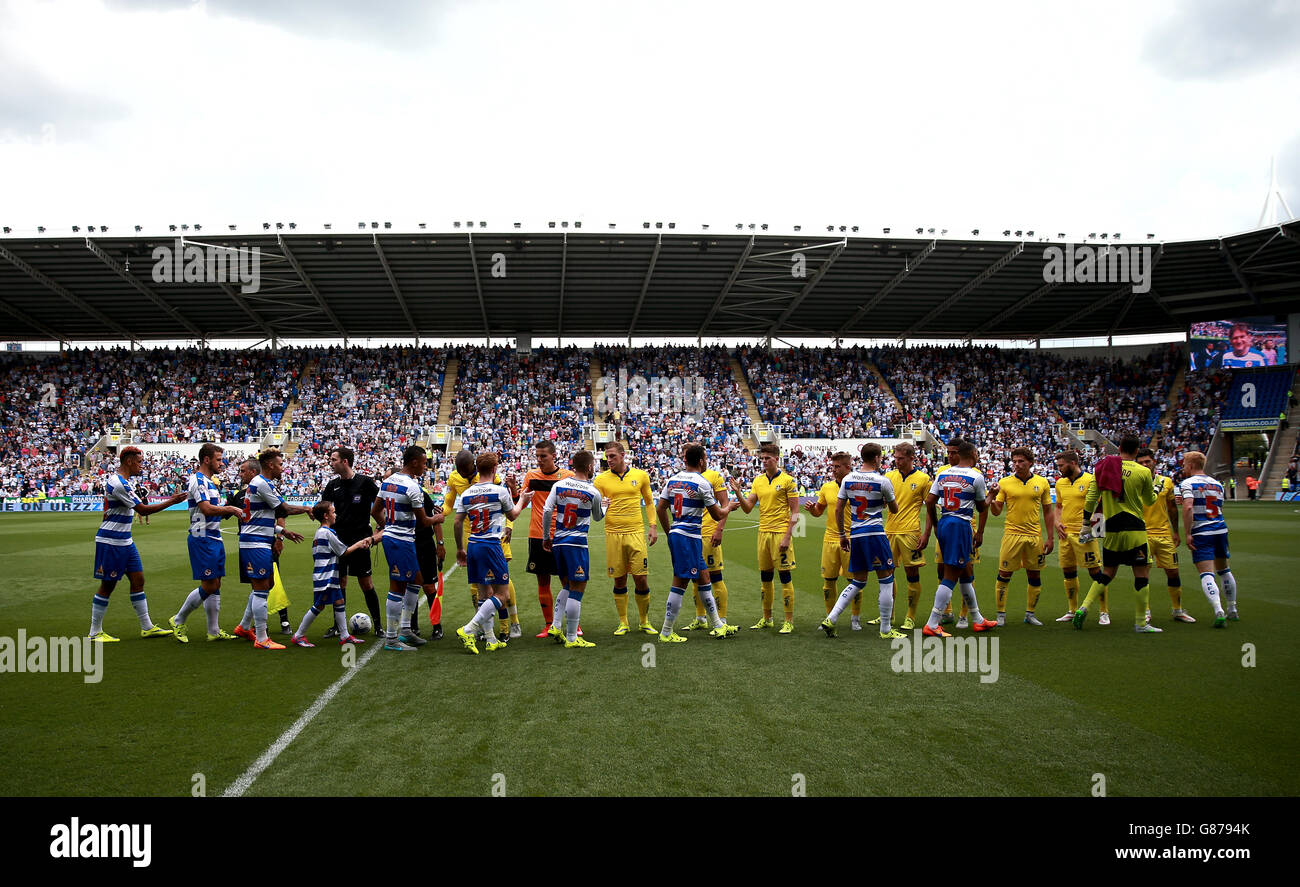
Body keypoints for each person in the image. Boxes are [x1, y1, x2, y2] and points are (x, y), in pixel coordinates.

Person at [87, 446, 187, 642]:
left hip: (125, 540)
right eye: (140, 462)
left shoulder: (123, 482)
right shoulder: (119, 484)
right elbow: (143, 510)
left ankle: (147, 626)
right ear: (130, 461)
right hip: (112, 540)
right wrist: (171, 501)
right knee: (108, 585)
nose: (142, 466)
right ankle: (94, 631)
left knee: (138, 579)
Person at [1071, 434, 1161, 633]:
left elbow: (1091, 498)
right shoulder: (1143, 471)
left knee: (1108, 572)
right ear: (1137, 451)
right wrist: (1157, 488)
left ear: (1119, 448)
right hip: (1134, 527)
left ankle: (1083, 607)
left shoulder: (1102, 467)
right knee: (1141, 572)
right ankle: (1140, 623)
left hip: (1110, 526)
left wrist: (1087, 523)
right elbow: (1150, 500)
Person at [654, 443, 739, 642]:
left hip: (680, 533)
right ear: (701, 461)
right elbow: (717, 514)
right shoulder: (702, 483)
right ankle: (666, 632)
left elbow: (660, 509)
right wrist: (730, 508)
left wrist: (669, 532)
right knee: (680, 582)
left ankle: (718, 625)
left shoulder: (672, 480)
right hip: (689, 536)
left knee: (704, 578)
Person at [233, 450, 313, 650]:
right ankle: (261, 638)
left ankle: (244, 627)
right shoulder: (262, 483)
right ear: (269, 465)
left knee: (266, 584)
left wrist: (282, 531)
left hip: (259, 538)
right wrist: (307, 508)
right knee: (261, 588)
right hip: (255, 542)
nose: (282, 468)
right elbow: (283, 509)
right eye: (279, 464)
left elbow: (259, 516)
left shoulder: (264, 484)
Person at [822, 443, 903, 639]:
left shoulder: (848, 479)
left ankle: (831, 618)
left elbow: (839, 509)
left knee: (858, 581)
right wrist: (884, 502)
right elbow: (894, 510)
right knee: (886, 580)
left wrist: (842, 535)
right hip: (875, 533)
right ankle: (885, 629)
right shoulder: (882, 481)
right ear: (876, 458)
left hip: (855, 534)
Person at [453, 452, 529, 654]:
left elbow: (457, 521)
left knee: (483, 592)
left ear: (477, 468)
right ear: (495, 469)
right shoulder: (499, 491)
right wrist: (522, 499)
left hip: (473, 545)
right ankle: (469, 629)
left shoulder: (467, 494)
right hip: (492, 546)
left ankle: (490, 638)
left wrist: (460, 548)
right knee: (501, 595)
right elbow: (513, 514)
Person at [371, 445, 445, 652]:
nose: (425, 467)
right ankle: (392, 638)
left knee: (417, 580)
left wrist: (388, 525)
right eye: (423, 463)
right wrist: (437, 518)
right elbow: (423, 522)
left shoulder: (388, 482)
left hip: (399, 539)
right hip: (401, 541)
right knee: (397, 587)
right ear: (413, 462)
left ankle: (405, 630)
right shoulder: (412, 487)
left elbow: (375, 510)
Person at [169, 443, 244, 642]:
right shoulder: (198, 480)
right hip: (201, 537)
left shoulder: (210, 482)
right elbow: (206, 509)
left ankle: (213, 631)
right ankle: (178, 619)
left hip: (213, 536)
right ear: (206, 460)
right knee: (209, 584)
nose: (222, 463)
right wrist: (230, 509)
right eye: (218, 459)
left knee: (216, 583)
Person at [921, 439, 997, 637]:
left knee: (965, 574)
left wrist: (936, 524)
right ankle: (932, 622)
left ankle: (978, 619)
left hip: (945, 522)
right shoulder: (975, 476)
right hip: (960, 524)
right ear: (972, 455)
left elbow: (929, 501)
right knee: (951, 575)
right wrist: (992, 496)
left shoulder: (943, 473)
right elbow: (982, 508)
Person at [729, 442, 800, 633]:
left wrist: (787, 537)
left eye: (768, 458)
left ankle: (788, 621)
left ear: (777, 459)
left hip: (780, 533)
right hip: (763, 533)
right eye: (762, 458)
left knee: (785, 577)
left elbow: (795, 511)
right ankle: (767, 618)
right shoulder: (758, 481)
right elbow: (748, 508)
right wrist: (737, 492)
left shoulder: (788, 481)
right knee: (765, 578)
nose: (764, 461)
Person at [592, 440, 658, 635]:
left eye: (612, 456)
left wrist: (653, 526)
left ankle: (644, 621)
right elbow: (596, 512)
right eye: (607, 456)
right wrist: (602, 505)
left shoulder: (640, 475)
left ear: (623, 455)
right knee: (619, 580)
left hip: (636, 532)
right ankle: (623, 622)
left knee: (641, 579)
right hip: (613, 534)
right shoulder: (600, 480)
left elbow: (649, 502)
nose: (609, 460)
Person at [290, 502, 377, 647]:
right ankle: (298, 635)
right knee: (319, 605)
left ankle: (344, 636)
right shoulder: (326, 533)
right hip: (326, 576)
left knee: (339, 602)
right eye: (333, 512)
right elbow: (344, 552)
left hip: (326, 575)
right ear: (326, 516)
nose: (335, 515)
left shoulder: (321, 532)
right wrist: (361, 543)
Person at [541, 450, 605, 648]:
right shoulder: (593, 491)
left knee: (568, 585)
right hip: (577, 543)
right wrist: (606, 507)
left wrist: (546, 537)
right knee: (578, 586)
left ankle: (556, 624)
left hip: (559, 541)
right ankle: (571, 637)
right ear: (588, 467)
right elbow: (597, 517)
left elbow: (547, 510)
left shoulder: (559, 485)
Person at [319, 445, 381, 638]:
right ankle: (339, 626)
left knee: (366, 583)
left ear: (344, 461)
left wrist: (380, 528)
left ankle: (379, 626)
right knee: (339, 583)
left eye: (333, 460)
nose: (331, 463)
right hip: (337, 542)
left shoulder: (365, 483)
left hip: (361, 540)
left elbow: (380, 506)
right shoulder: (332, 486)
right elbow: (322, 511)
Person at [989, 446, 1055, 626]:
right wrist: (992, 499)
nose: (1017, 465)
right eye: (1015, 461)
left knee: (1034, 576)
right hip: (1012, 535)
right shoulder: (1005, 483)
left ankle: (1030, 614)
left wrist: (1050, 537)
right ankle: (1000, 614)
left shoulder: (1042, 482)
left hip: (1034, 536)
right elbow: (996, 511)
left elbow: (1049, 511)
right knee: (1004, 574)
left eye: (1021, 461)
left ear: (1030, 463)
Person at [1134, 447, 1194, 624]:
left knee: (1173, 572)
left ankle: (1177, 610)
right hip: (1142, 535)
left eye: (1147, 461)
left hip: (1164, 534)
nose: (1145, 465)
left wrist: (1176, 531)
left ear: (1154, 462)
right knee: (1142, 575)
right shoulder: (1134, 482)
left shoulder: (1166, 482)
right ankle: (1145, 611)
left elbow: (1172, 508)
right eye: (1141, 462)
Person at [1176, 451, 1235, 627]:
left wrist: (1187, 533)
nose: (1183, 467)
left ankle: (1219, 610)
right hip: (1220, 529)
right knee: (1224, 570)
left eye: (1185, 464)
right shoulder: (1218, 484)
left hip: (1202, 531)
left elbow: (1188, 507)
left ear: (1191, 465)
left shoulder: (1187, 483)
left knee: (1206, 573)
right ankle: (1232, 609)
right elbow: (1216, 506)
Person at [523, 440, 574, 637]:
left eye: (543, 456)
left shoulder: (567, 477)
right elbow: (521, 499)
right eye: (537, 456)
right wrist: (512, 488)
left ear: (554, 456)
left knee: (567, 582)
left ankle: (572, 623)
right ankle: (549, 624)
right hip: (537, 535)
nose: (539, 460)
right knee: (542, 581)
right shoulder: (530, 476)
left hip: (561, 535)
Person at [1053, 450, 1110, 623]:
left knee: (1095, 571)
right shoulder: (1060, 483)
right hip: (1066, 535)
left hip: (1085, 534)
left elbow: (1102, 506)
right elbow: (1059, 506)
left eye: (1062, 465)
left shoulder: (1091, 480)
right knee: (1068, 571)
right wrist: (1057, 522)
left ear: (1073, 463)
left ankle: (1103, 611)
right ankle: (1072, 609)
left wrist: (1098, 530)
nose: (1059, 469)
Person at [682, 451, 736, 630]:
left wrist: (719, 529)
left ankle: (723, 620)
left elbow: (724, 503)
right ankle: (701, 618)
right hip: (691, 535)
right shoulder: (684, 478)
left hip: (709, 535)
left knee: (715, 578)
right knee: (695, 578)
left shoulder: (714, 476)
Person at [803, 452, 857, 628]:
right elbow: (819, 511)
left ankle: (855, 619)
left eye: (837, 466)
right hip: (830, 539)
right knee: (828, 581)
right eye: (832, 466)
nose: (834, 470)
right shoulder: (827, 487)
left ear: (848, 467)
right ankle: (829, 617)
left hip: (851, 539)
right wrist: (812, 510)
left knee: (854, 581)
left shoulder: (857, 486)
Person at [883, 441, 931, 631]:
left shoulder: (923, 479)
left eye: (901, 458)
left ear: (912, 458)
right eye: (895, 457)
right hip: (889, 531)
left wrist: (926, 533)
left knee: (912, 574)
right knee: (887, 574)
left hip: (910, 532)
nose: (897, 461)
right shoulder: (888, 477)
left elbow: (930, 509)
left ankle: (910, 617)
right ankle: (889, 614)